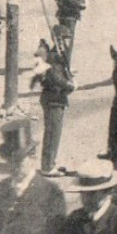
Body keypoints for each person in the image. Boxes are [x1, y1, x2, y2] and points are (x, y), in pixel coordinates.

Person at [31, 31, 75, 178]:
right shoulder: (53, 57)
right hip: (53, 99)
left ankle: (51, 163)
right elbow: (55, 78)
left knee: (54, 133)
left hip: (56, 99)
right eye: (66, 40)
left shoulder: (58, 56)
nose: (68, 43)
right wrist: (70, 85)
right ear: (59, 41)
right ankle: (47, 166)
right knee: (52, 133)